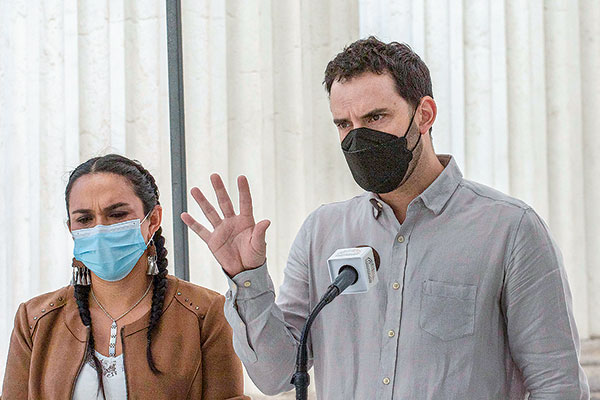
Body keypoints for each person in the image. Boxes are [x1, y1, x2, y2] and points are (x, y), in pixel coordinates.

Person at [182, 37, 590, 399]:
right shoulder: (321, 231)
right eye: (344, 123)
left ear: (425, 114)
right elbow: (276, 375)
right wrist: (247, 278)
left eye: (375, 117)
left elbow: (559, 385)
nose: (358, 137)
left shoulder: (510, 230)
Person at [2, 154, 248, 399]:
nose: (99, 229)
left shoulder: (205, 313)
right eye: (85, 219)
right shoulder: (35, 320)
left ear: (153, 220)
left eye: (117, 215)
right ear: (71, 230)